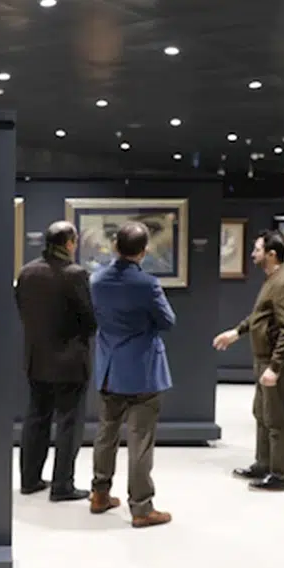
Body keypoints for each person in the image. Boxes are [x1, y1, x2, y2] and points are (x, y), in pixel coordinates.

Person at [87, 222, 174, 528]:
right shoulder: (147, 284)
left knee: (106, 434)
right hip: (142, 371)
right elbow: (167, 320)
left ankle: (99, 494)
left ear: (115, 246)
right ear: (144, 251)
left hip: (110, 369)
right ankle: (141, 508)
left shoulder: (96, 280)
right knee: (140, 440)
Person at [212, 229, 284, 492]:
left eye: (257, 250)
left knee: (275, 418)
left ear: (271, 254)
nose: (253, 254)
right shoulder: (274, 279)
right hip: (263, 359)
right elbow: (260, 315)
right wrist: (237, 332)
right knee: (262, 413)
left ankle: (279, 475)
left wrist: (275, 367)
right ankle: (263, 464)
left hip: (272, 362)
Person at [14, 220, 97, 501]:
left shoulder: (27, 272)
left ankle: (30, 479)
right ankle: (62, 485)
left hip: (36, 358)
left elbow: (22, 309)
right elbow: (89, 320)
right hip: (70, 362)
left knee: (36, 419)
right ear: (70, 243)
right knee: (68, 424)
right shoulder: (75, 274)